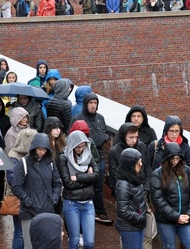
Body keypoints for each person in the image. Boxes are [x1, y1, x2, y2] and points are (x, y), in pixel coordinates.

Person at [12, 133, 62, 249]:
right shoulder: (24, 163)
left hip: (47, 209)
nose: (42, 152)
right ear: (34, 148)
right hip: (30, 211)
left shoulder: (50, 162)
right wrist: (28, 200)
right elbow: (16, 187)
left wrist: (53, 198)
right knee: (29, 245)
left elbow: (57, 183)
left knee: (47, 244)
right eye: (40, 149)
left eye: (45, 150)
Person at [70, 92, 112, 224]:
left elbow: (104, 133)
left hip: (98, 155)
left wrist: (102, 138)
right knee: (84, 184)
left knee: (98, 184)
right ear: (86, 104)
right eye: (90, 103)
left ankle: (99, 211)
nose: (93, 106)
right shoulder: (78, 118)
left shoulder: (100, 118)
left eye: (95, 103)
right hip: (83, 155)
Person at [150, 142, 190, 249]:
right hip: (166, 221)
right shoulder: (157, 174)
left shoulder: (186, 171)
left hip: (185, 219)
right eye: (172, 159)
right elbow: (158, 201)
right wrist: (176, 216)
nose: (175, 162)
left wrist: (189, 214)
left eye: (177, 159)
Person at [58, 130, 99, 249]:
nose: (80, 149)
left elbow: (96, 176)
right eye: (78, 147)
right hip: (71, 203)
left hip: (88, 202)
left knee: (89, 242)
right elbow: (68, 184)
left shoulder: (88, 155)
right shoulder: (63, 158)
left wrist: (78, 177)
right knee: (74, 239)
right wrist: (87, 178)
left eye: (83, 146)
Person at [5, 126, 38, 249]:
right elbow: (12, 180)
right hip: (18, 199)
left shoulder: (31, 156)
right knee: (20, 232)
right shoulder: (14, 157)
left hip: (30, 197)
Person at [108, 123, 151, 198]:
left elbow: (147, 170)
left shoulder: (142, 147)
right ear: (124, 136)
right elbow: (114, 176)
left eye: (136, 137)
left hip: (142, 192)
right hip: (124, 194)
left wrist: (145, 190)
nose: (134, 140)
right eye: (131, 137)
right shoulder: (114, 152)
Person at [115, 148, 147, 249]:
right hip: (129, 227)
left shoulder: (135, 178)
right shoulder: (124, 185)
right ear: (131, 164)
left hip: (137, 225)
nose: (141, 164)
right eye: (139, 162)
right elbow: (122, 210)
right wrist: (139, 217)